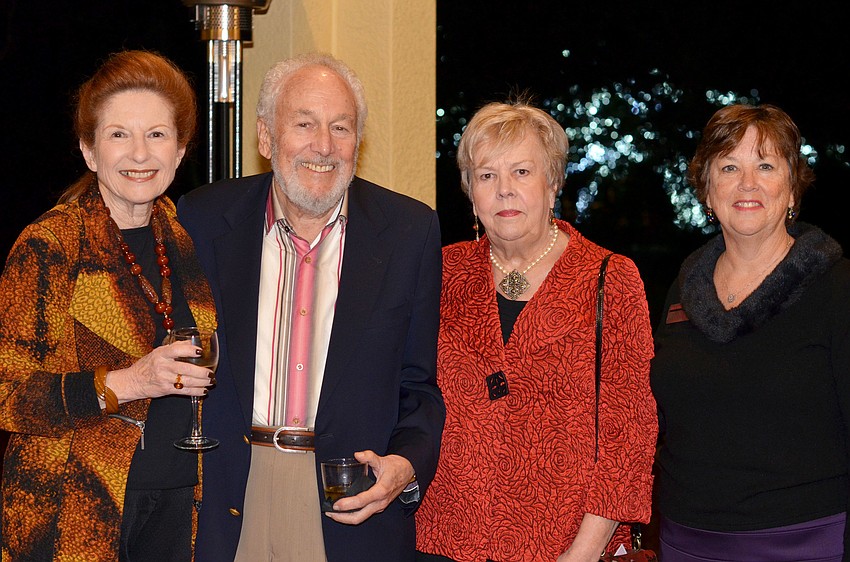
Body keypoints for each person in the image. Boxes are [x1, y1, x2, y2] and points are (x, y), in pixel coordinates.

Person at [177, 51, 444, 562]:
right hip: (227, 494)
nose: (324, 146)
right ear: (265, 136)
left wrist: (406, 466)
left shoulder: (409, 232)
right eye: (304, 124)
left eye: (341, 127)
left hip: (349, 504)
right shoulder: (204, 219)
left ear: (357, 142)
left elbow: (420, 387)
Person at [414, 98, 657, 561]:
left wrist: (580, 555)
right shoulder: (440, 274)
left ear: (553, 183)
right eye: (487, 176)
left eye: (522, 172)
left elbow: (629, 438)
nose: (505, 190)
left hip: (564, 546)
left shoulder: (609, 277)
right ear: (470, 191)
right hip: (442, 541)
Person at [0, 50, 217, 561]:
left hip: (180, 504)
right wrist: (128, 383)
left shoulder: (185, 235)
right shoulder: (51, 245)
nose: (140, 154)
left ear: (181, 150)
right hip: (75, 512)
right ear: (90, 151)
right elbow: (8, 395)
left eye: (157, 135)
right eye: (119, 134)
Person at [651, 103, 850, 561]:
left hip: (807, 544)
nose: (747, 183)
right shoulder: (683, 289)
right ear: (707, 190)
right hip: (686, 542)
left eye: (765, 165)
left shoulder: (837, 288)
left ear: (792, 187)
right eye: (729, 167)